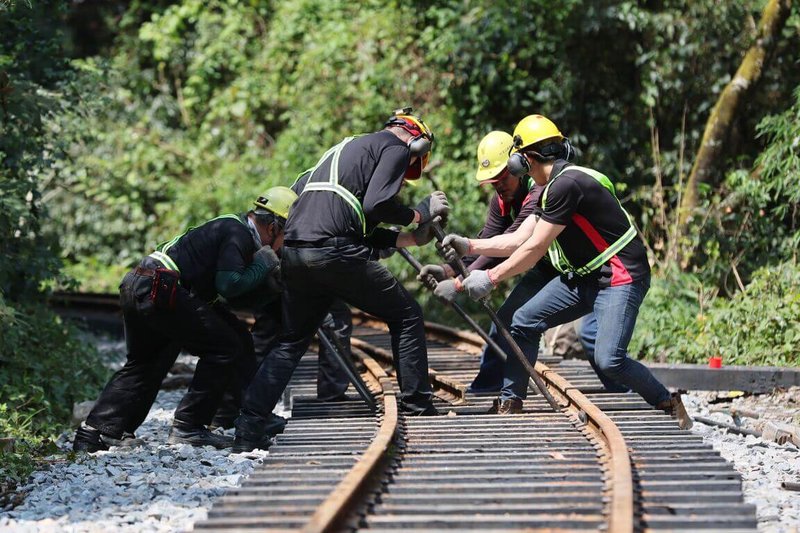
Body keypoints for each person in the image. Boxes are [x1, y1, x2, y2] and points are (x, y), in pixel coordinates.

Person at [435, 115, 692, 429]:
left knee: (609, 359)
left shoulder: (566, 185)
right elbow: (518, 239)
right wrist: (470, 245)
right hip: (586, 276)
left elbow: (534, 249)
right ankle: (509, 402)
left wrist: (490, 278)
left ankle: (667, 401)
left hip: (619, 277)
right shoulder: (548, 188)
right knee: (523, 321)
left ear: (523, 159)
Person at [233, 108, 449, 453]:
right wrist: (418, 214)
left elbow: (355, 222)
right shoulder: (395, 146)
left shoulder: (342, 154)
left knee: (291, 341)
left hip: (297, 252)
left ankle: (248, 427)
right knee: (406, 315)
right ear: (416, 139)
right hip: (334, 251)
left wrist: (411, 238)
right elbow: (377, 205)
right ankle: (418, 406)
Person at [73, 187, 297, 452]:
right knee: (226, 346)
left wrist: (270, 286)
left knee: (149, 361)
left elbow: (234, 300)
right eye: (286, 236)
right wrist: (263, 265)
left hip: (142, 284)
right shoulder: (237, 232)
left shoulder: (233, 230)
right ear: (273, 227)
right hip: (163, 289)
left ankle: (96, 433)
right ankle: (189, 426)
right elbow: (229, 285)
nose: (285, 244)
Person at [419, 131, 626, 412]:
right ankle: (491, 385)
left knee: (592, 338)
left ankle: (622, 393)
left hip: (587, 266)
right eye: (492, 181)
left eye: (503, 177)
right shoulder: (501, 201)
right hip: (547, 266)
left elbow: (516, 242)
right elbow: (488, 245)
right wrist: (448, 269)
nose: (498, 186)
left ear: (520, 165)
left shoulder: (540, 190)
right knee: (506, 318)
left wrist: (457, 284)